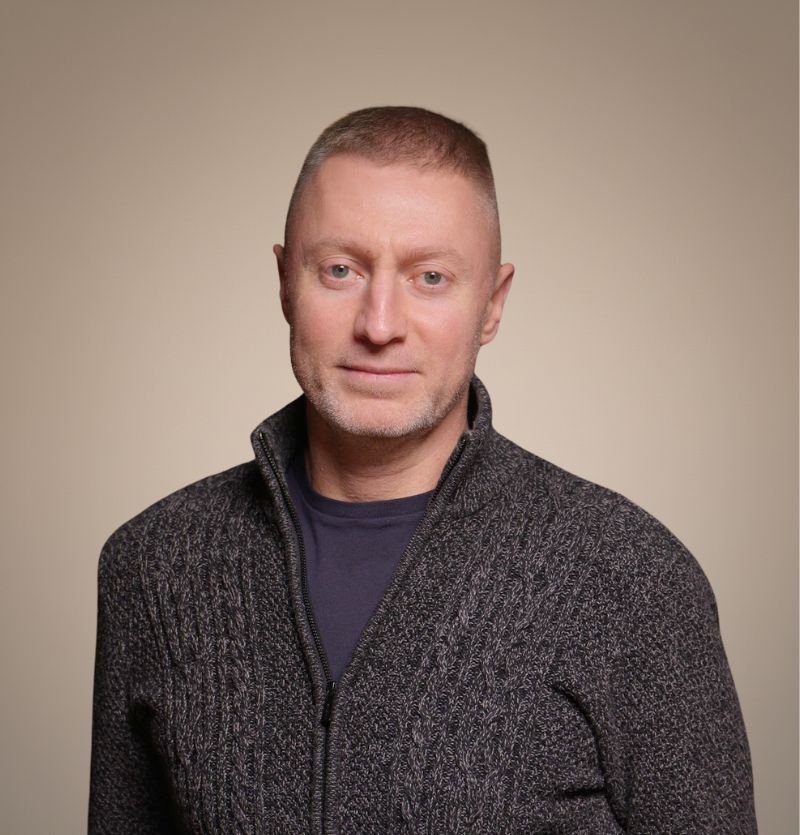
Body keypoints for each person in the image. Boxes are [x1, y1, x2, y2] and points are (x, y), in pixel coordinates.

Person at [89, 106, 757, 834]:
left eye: (430, 276)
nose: (380, 323)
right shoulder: (153, 567)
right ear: (286, 282)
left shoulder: (633, 580)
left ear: (492, 304)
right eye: (340, 270)